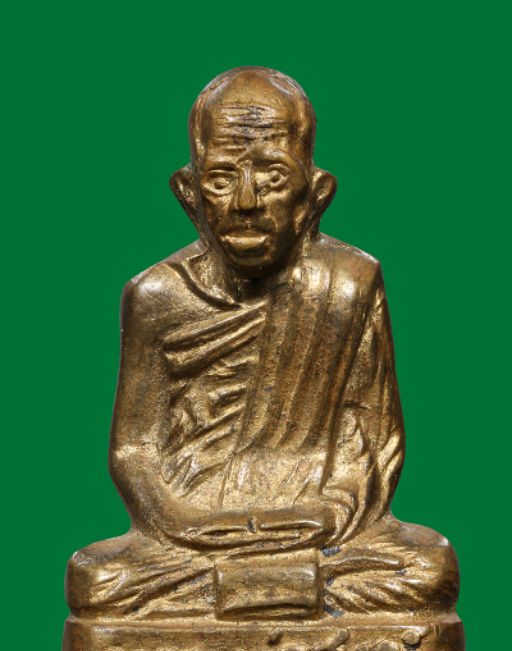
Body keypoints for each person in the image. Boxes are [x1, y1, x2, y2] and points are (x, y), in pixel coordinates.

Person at [66, 67, 458, 620]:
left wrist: (329, 513)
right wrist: (187, 525)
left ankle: (252, 595)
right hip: (190, 536)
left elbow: (370, 441)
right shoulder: (157, 296)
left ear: (315, 194)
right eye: (221, 179)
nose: (246, 201)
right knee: (99, 578)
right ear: (188, 193)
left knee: (427, 568)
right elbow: (135, 452)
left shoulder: (348, 283)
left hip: (317, 531)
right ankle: (283, 595)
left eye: (272, 176)